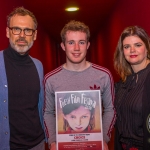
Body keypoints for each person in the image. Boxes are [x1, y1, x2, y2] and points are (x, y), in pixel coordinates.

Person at [44, 20, 115, 150]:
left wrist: (103, 138)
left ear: (88, 45)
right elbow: (48, 113)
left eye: (81, 42)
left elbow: (110, 109)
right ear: (63, 46)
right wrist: (53, 142)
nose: (76, 48)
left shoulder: (104, 76)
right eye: (71, 43)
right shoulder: (51, 79)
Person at [0, 7, 45, 150]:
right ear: (8, 32)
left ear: (34, 35)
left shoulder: (38, 65)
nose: (22, 35)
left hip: (37, 144)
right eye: (16, 29)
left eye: (27, 30)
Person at [114, 26, 150, 150]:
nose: (132, 50)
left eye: (138, 45)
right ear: (122, 52)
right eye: (127, 47)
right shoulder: (123, 82)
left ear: (147, 48)